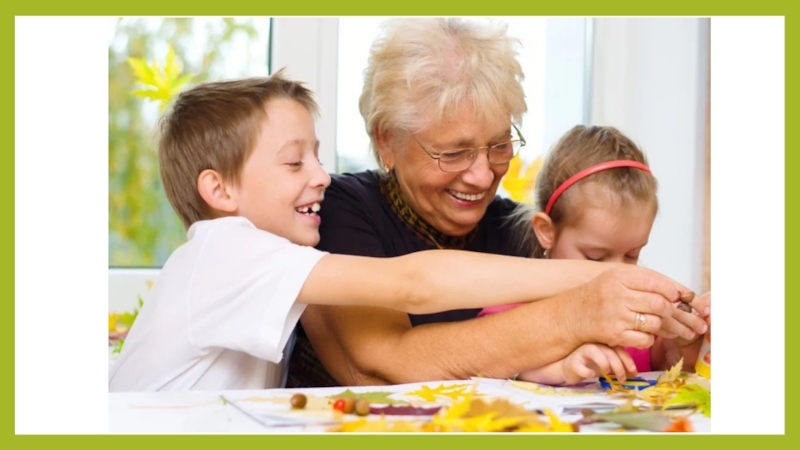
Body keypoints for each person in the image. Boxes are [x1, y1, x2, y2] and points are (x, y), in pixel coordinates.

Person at [107, 71, 677, 392]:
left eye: (317, 157)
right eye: (294, 162)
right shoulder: (227, 250)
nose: (322, 176)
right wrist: (590, 280)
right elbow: (414, 283)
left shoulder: (268, 260)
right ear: (220, 190)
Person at [291, 18, 708, 387]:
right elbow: (383, 364)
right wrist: (576, 314)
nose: (482, 175)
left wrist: (677, 344)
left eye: (499, 145)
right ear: (387, 140)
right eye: (454, 153)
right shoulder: (337, 210)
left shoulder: (520, 232)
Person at [479, 125, 711, 385]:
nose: (616, 273)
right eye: (595, 257)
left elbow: (659, 362)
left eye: (632, 255)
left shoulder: (639, 312)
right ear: (546, 231)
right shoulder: (510, 309)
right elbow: (495, 365)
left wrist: (686, 342)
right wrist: (563, 369)